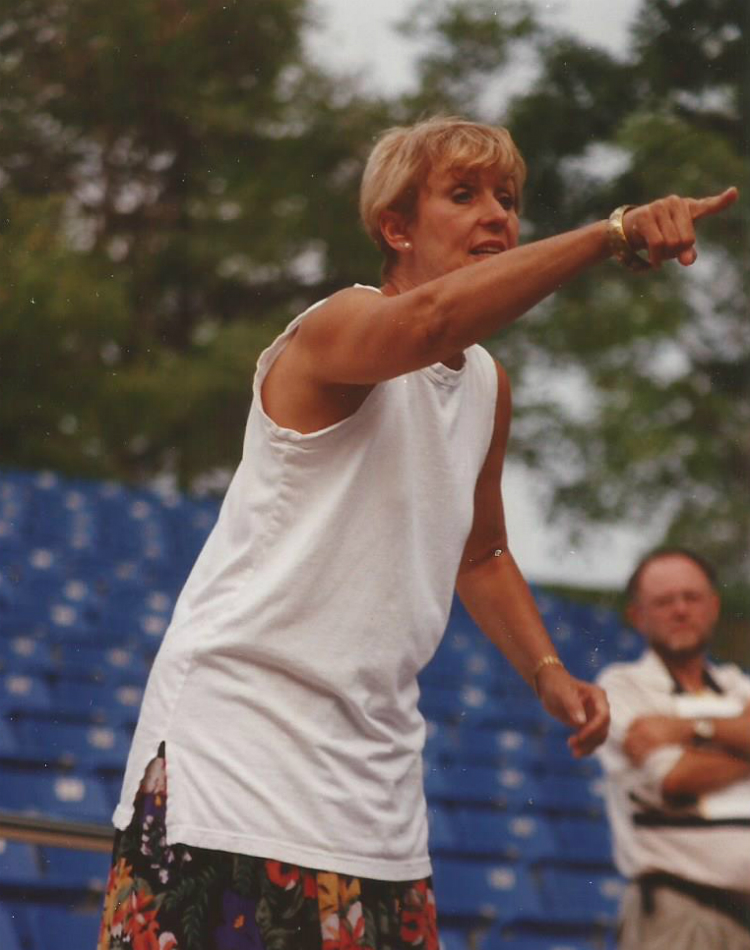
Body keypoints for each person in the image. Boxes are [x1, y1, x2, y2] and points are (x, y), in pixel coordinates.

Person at [98, 116, 737, 950]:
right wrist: (610, 233)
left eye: (508, 200)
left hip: (376, 785)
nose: (497, 216)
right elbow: (428, 323)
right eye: (463, 195)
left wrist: (547, 672)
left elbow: (483, 550)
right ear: (395, 228)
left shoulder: (485, 383)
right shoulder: (338, 325)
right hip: (237, 759)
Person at [596, 548, 750, 949]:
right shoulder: (622, 687)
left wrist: (690, 730)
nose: (681, 610)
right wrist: (737, 737)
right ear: (638, 616)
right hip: (680, 914)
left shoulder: (737, 684)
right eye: (664, 601)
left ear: (713, 606)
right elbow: (674, 776)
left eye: (692, 597)